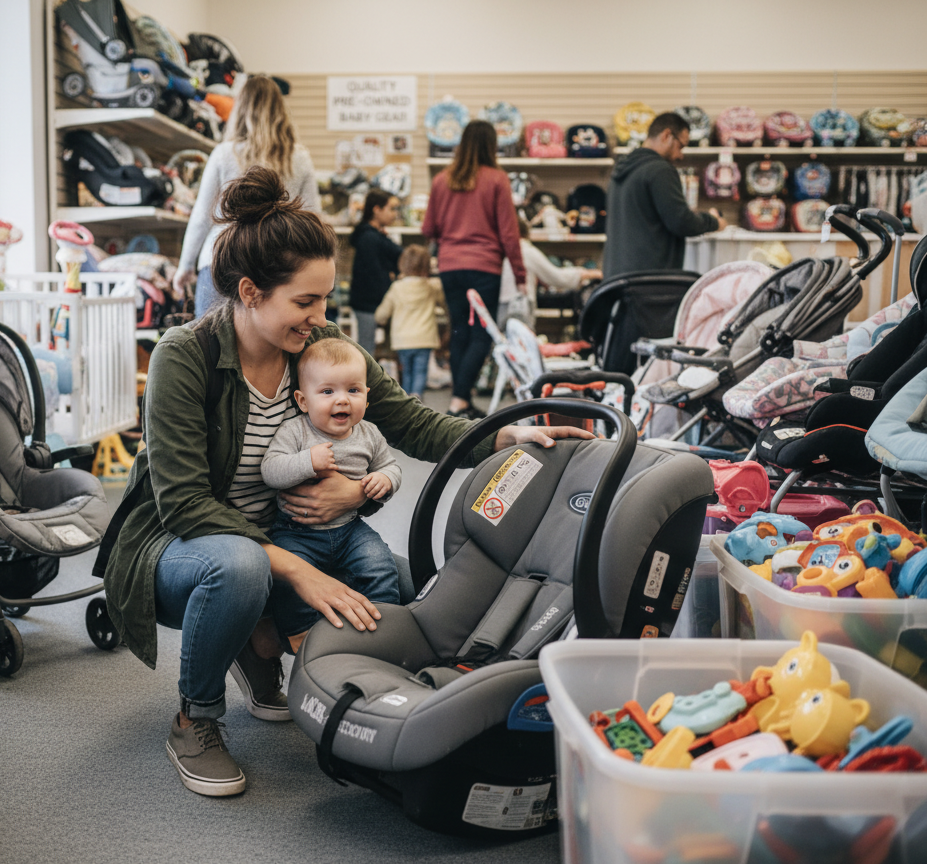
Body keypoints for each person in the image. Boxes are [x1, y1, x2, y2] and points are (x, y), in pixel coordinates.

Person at [100, 166, 592, 798]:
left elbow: (408, 420)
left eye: (325, 299)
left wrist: (504, 435)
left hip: (286, 532)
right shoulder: (184, 354)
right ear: (250, 292)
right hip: (183, 546)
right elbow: (185, 503)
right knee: (244, 569)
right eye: (304, 302)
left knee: (410, 588)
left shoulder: (320, 344)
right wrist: (297, 571)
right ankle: (195, 718)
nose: (320, 316)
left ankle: (261, 639)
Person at [261, 338, 401, 653]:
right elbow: (271, 470)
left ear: (367, 394)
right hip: (297, 532)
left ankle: (385, 623)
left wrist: (383, 480)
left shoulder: (370, 434)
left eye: (353, 390)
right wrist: (306, 461)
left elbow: (391, 467)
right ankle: (301, 633)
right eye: (327, 392)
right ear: (303, 400)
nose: (342, 400)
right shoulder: (295, 432)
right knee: (288, 579)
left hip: (350, 529)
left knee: (380, 564)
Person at [173, 75, 321, 317]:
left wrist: (185, 266)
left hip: (220, 261)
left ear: (240, 110)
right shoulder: (299, 158)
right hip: (276, 266)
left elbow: (202, 217)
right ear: (280, 110)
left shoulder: (224, 154)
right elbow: (313, 220)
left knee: (211, 348)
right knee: (266, 351)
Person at [422, 120, 526, 419]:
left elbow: (429, 227)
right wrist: (520, 274)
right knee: (482, 335)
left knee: (458, 333)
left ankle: (462, 399)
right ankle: (458, 400)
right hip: (485, 268)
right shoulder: (496, 180)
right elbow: (509, 233)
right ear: (491, 146)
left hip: (450, 267)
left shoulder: (442, 180)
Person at [604, 112, 727, 278]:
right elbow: (682, 222)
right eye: (680, 146)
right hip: (649, 283)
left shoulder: (622, 170)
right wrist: (714, 222)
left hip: (617, 279)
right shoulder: (659, 170)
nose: (680, 155)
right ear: (667, 135)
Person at [498, 215, 602, 328]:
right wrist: (590, 273)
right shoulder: (524, 250)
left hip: (497, 305)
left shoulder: (498, 251)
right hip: (518, 305)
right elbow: (557, 277)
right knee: (520, 342)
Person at [374, 244, 444, 399]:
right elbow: (444, 303)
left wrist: (380, 319)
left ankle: (407, 402)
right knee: (420, 371)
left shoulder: (397, 287)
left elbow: (382, 313)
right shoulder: (432, 287)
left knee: (406, 371)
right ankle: (417, 396)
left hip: (402, 340)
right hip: (424, 338)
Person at [347, 189, 402, 355]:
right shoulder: (370, 238)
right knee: (366, 349)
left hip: (368, 302)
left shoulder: (372, 236)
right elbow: (374, 272)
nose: (394, 214)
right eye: (391, 209)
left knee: (367, 347)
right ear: (377, 210)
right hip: (370, 302)